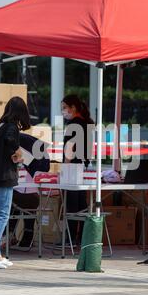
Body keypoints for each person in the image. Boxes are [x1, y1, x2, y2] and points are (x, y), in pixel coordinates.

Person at [0, 96, 31, 269]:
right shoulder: (11, 127)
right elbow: (11, 140)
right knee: (3, 214)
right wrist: (17, 152)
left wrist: (3, 154)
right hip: (5, 175)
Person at [61, 95, 94, 247]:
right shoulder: (87, 123)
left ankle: (70, 237)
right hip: (85, 166)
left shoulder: (73, 124)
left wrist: (65, 168)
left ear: (73, 107)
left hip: (73, 167)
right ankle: (81, 237)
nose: (63, 111)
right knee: (82, 204)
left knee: (71, 204)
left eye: (64, 108)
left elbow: (69, 148)